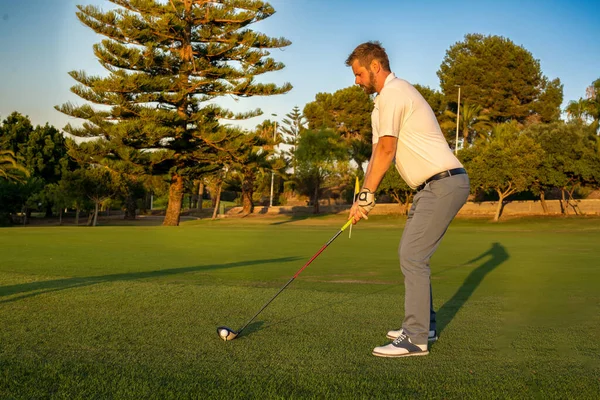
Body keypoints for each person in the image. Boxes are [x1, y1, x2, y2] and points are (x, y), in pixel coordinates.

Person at [346, 41, 470, 358]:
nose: (356, 81)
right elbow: (377, 154)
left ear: (375, 67)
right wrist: (362, 199)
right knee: (410, 253)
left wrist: (368, 194)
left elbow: (388, 150)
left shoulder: (395, 93)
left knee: (413, 256)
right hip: (429, 187)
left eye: (358, 74)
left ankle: (415, 338)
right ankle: (424, 325)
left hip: (444, 183)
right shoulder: (383, 103)